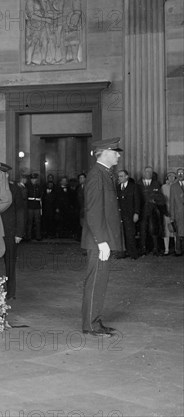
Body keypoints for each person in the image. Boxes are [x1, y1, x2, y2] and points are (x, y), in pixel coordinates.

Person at [81, 138, 124, 337]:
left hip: (102, 238)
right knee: (95, 280)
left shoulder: (105, 174)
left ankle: (95, 321)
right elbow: (93, 210)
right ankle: (90, 324)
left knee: (100, 281)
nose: (118, 155)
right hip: (98, 240)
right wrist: (101, 241)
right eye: (115, 151)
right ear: (105, 152)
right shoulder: (97, 175)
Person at [0, 162, 25, 300]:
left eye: (2, 174)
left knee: (10, 262)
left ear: (6, 175)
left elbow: (20, 211)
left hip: (10, 231)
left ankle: (10, 293)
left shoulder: (14, 189)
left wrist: (19, 232)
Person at [137, 166, 164, 256]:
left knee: (154, 229)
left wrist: (155, 200)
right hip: (142, 211)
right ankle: (143, 248)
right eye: (146, 172)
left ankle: (155, 248)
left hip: (153, 210)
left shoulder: (156, 184)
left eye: (150, 172)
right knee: (143, 230)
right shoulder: (138, 184)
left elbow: (161, 197)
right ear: (143, 173)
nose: (148, 173)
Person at [116, 169, 141, 259]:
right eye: (119, 176)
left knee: (130, 234)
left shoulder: (133, 187)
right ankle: (123, 252)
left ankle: (133, 253)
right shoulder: (118, 187)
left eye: (121, 176)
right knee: (122, 234)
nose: (119, 178)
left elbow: (137, 201)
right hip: (121, 215)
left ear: (127, 177)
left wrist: (136, 213)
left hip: (130, 215)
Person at [161, 172, 177, 255]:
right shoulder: (163, 187)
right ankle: (166, 249)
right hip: (166, 211)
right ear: (167, 178)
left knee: (175, 230)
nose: (171, 178)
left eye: (173, 176)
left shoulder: (177, 187)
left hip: (175, 211)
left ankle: (176, 249)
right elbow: (161, 199)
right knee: (166, 230)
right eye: (169, 176)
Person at [169, 168, 184, 256]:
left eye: (182, 173)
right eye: (179, 173)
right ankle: (178, 251)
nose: (180, 175)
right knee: (178, 233)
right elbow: (171, 202)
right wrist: (172, 216)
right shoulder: (173, 187)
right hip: (178, 214)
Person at [26, 173, 43, 241]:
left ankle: (38, 236)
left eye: (35, 179)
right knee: (29, 222)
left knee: (38, 222)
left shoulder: (39, 186)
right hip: (30, 206)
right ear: (30, 179)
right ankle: (28, 236)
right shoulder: (27, 186)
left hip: (37, 206)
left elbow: (41, 195)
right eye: (32, 179)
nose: (34, 180)